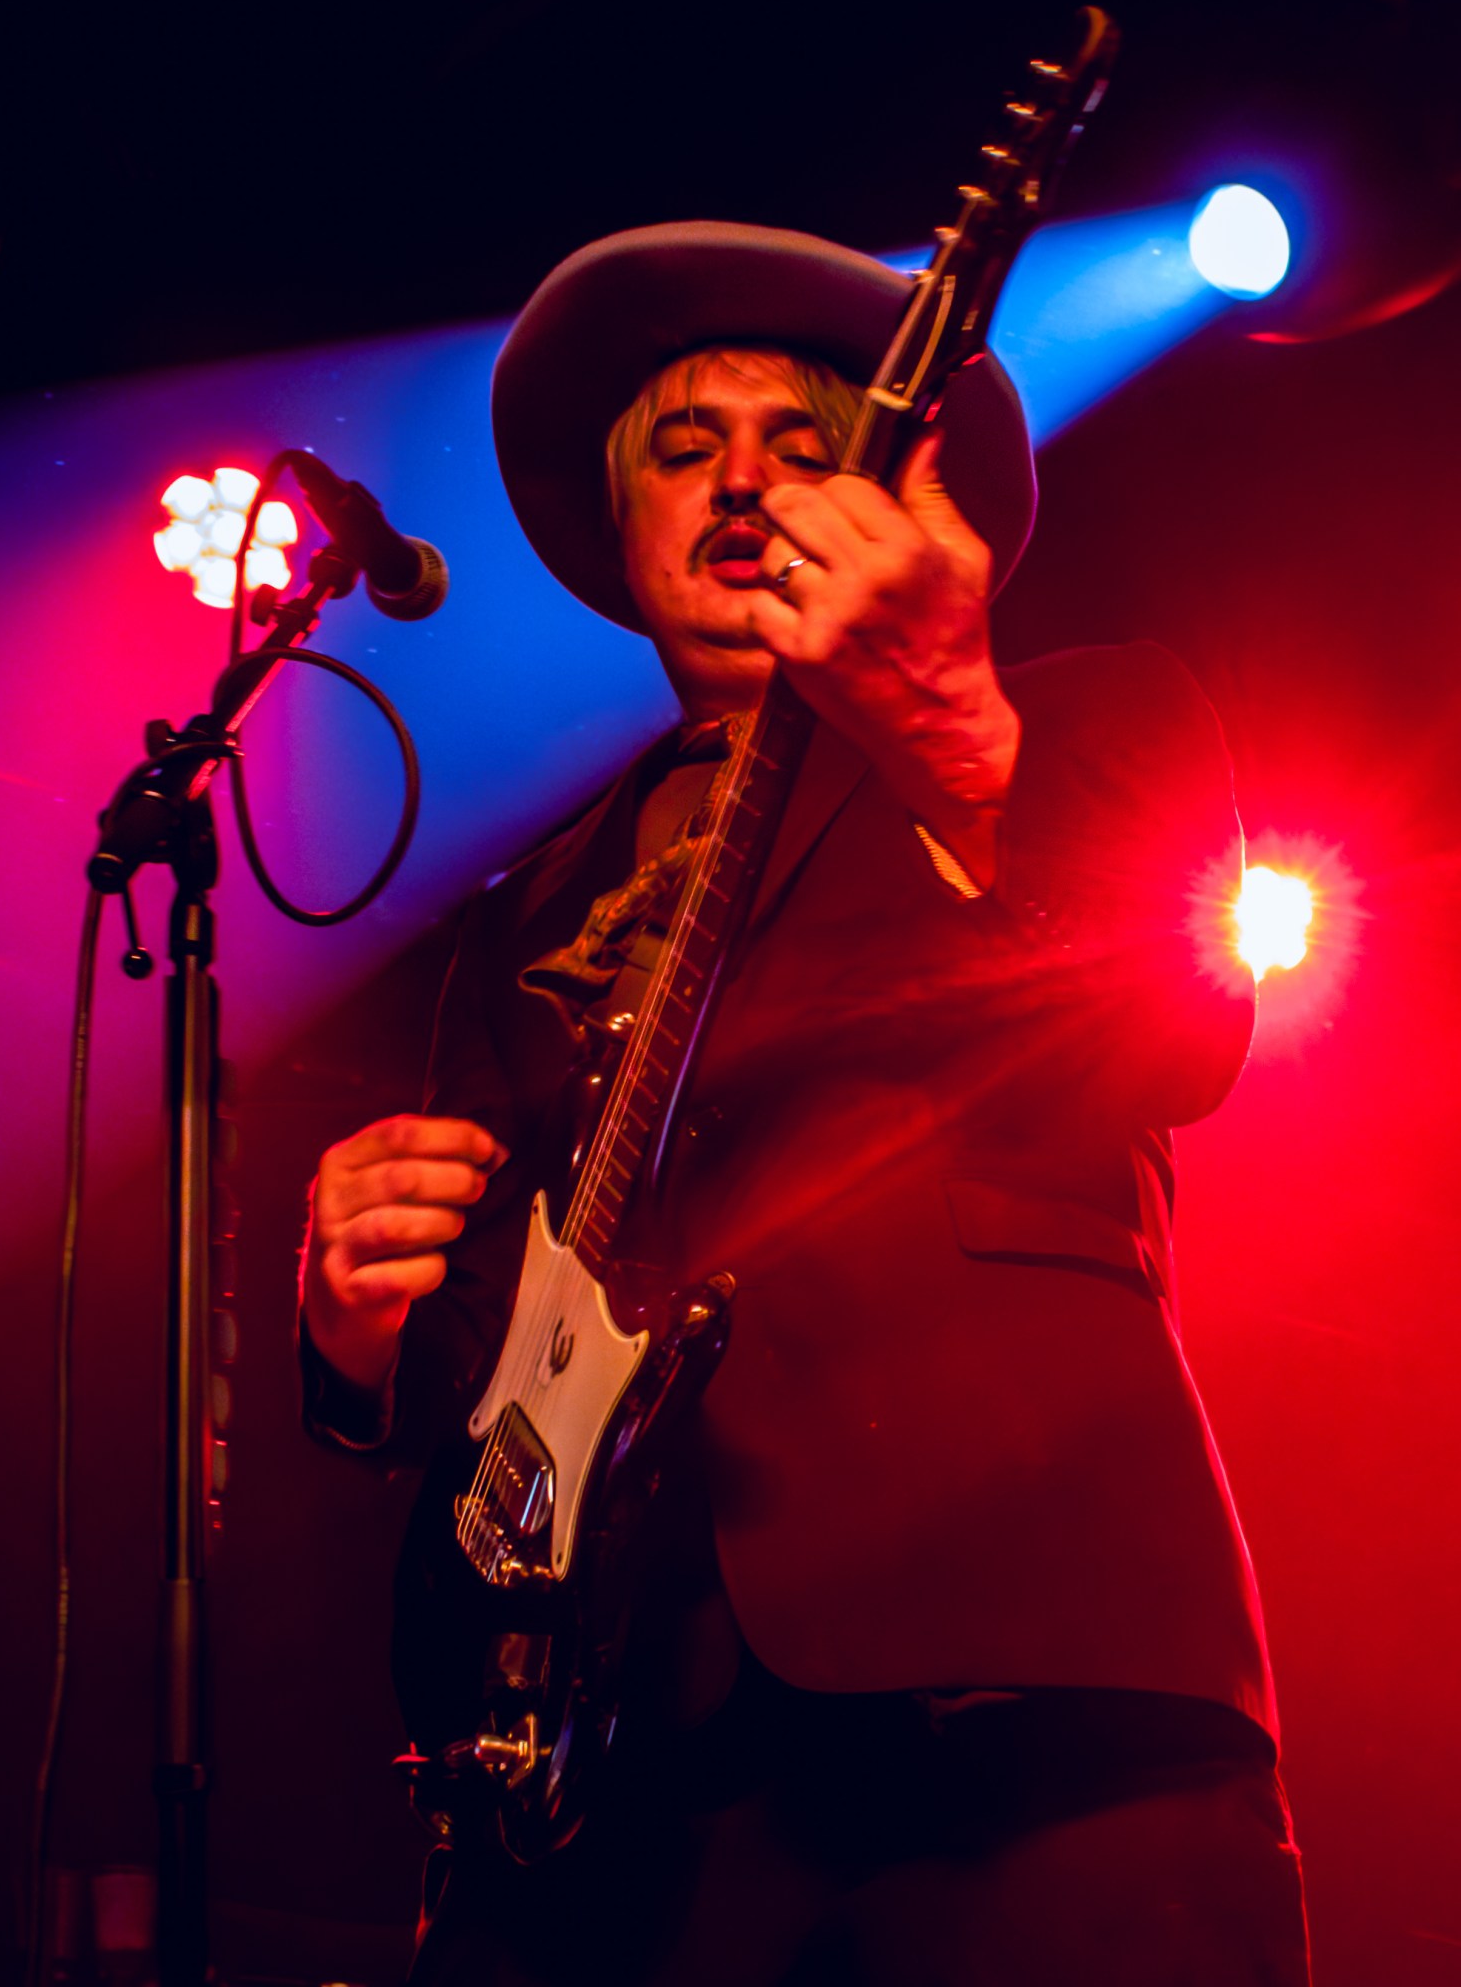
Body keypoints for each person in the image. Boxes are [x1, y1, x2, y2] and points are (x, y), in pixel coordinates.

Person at [297, 223, 1311, 1984]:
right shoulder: (518, 917)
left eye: (804, 444)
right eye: (684, 452)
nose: (745, 482)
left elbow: (1176, 1038)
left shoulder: (1078, 722)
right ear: (621, 536)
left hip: (1023, 1701)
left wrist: (955, 731)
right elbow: (504, 1377)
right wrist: (351, 1339)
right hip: (619, 1781)